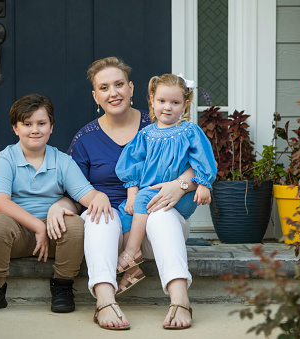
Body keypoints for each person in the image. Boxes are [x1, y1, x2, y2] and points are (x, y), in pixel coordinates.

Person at [48, 57, 199, 330]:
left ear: (131, 88)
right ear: (96, 96)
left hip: (156, 226)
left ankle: (180, 300)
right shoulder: (85, 138)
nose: (113, 92)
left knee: (161, 214)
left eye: (119, 84)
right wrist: (59, 204)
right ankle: (105, 301)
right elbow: (72, 187)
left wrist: (182, 184)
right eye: (104, 88)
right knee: (98, 215)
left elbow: (200, 162)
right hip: (108, 235)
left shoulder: (160, 120)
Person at [0, 94, 112, 315]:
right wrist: (38, 226)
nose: (35, 130)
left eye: (41, 123)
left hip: (53, 236)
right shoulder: (4, 159)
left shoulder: (62, 161)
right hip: (15, 233)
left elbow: (86, 196)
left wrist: (99, 197)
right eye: (27, 124)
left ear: (51, 127)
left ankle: (62, 285)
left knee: (75, 226)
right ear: (15, 128)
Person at [114, 74, 217, 295]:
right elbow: (132, 164)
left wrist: (204, 184)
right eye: (162, 101)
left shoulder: (189, 131)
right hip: (149, 195)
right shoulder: (146, 135)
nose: (167, 107)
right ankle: (132, 271)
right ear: (152, 101)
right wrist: (131, 194)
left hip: (181, 198)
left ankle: (131, 253)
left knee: (143, 199)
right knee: (125, 213)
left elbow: (203, 158)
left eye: (175, 102)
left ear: (185, 105)